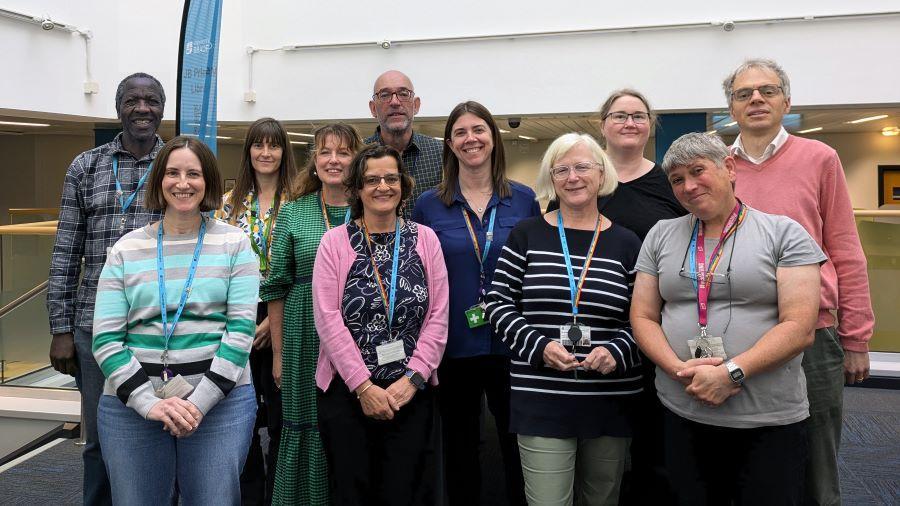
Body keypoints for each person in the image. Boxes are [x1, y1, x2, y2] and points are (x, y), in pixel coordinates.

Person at [631, 132, 825, 505]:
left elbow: (799, 328)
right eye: (676, 180)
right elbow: (642, 315)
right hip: (680, 407)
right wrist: (678, 370)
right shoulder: (660, 235)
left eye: (698, 171)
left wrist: (729, 373)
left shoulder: (783, 233)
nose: (688, 186)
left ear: (730, 168)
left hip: (766, 417)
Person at [723, 58, 874, 505]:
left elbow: (845, 247)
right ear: (731, 108)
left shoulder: (820, 159)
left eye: (767, 91)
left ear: (786, 102)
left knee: (816, 455)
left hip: (813, 331)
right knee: (746, 453)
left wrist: (857, 338)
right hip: (739, 329)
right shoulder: (716, 165)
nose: (756, 99)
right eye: (744, 93)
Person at [92, 136, 259, 504]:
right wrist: (149, 402)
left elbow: (241, 332)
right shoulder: (126, 249)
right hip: (132, 407)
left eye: (193, 174)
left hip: (220, 405)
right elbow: (105, 339)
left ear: (208, 182)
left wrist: (198, 403)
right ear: (159, 181)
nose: (183, 183)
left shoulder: (235, 244)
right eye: (172, 173)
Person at [486, 133, 643, 505]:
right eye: (562, 169)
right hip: (542, 399)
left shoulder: (628, 242)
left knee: (602, 499)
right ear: (551, 179)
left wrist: (618, 352)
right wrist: (539, 347)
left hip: (610, 397)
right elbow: (497, 303)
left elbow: (647, 316)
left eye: (582, 167)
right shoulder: (527, 234)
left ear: (602, 174)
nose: (573, 177)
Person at [46, 72, 166, 506]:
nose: (142, 108)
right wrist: (60, 328)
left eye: (151, 100)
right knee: (100, 439)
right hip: (94, 328)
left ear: (162, 109)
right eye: (132, 100)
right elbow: (65, 252)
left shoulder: (175, 165)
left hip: (160, 325)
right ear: (118, 108)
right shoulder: (86, 165)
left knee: (161, 429)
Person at [413, 101, 538, 506]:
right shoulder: (429, 205)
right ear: (450, 144)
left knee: (516, 443)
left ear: (493, 137)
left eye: (479, 129)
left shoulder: (523, 200)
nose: (471, 139)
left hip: (513, 344)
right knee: (460, 446)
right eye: (461, 132)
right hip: (453, 345)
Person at [312, 144, 449, 505]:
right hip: (348, 393)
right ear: (357, 188)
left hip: (411, 393)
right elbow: (328, 320)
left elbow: (438, 317)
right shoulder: (334, 243)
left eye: (391, 178)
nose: (382, 187)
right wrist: (363, 387)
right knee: (352, 492)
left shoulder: (426, 239)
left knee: (405, 491)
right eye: (371, 180)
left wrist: (413, 380)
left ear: (403, 185)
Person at [260, 123, 362, 505]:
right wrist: (279, 354)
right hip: (304, 333)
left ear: (357, 159)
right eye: (325, 152)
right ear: (314, 161)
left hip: (359, 333)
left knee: (355, 424)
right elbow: (276, 286)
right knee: (306, 423)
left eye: (343, 152)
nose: (334, 160)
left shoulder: (369, 206)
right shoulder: (294, 213)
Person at [215, 117, 296, 505]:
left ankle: (278, 494)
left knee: (281, 415)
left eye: (274, 145)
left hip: (286, 313)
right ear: (248, 151)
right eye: (258, 145)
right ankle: (249, 495)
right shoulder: (229, 206)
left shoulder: (299, 200)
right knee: (239, 417)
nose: (266, 153)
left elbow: (303, 266)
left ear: (284, 151)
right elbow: (218, 268)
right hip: (236, 315)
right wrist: (250, 321)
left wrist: (270, 321)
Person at [365, 70, 443, 217]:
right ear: (373, 108)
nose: (395, 102)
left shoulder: (442, 154)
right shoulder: (357, 155)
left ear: (416, 105)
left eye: (403, 93)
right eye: (385, 95)